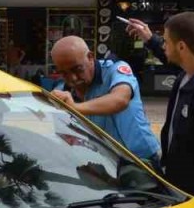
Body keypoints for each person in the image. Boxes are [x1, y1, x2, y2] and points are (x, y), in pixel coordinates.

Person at [125, 13, 194, 207]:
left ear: (182, 47)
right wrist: (149, 39)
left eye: (166, 42)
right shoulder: (191, 74)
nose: (164, 46)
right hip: (181, 187)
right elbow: (169, 58)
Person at [48, 35, 160, 166]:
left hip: (140, 160)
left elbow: (120, 99)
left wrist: (75, 108)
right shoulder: (61, 89)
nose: (73, 78)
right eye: (64, 73)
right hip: (101, 164)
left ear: (90, 57)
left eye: (77, 69)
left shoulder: (115, 70)